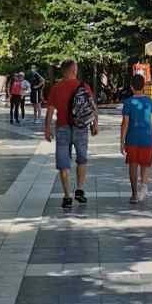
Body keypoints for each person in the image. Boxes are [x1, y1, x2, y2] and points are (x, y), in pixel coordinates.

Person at [44, 58, 98, 210]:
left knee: (63, 163)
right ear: (74, 70)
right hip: (81, 127)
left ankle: (67, 196)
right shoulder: (84, 86)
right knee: (82, 159)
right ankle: (79, 189)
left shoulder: (56, 88)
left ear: (63, 71)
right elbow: (92, 107)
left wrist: (47, 128)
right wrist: (95, 124)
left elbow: (50, 111)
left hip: (62, 128)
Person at [120, 73, 152, 203]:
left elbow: (125, 123)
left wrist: (122, 141)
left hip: (132, 139)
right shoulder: (149, 102)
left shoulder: (128, 102)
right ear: (143, 86)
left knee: (133, 165)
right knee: (145, 164)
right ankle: (143, 186)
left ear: (131, 87)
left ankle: (134, 194)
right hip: (147, 138)